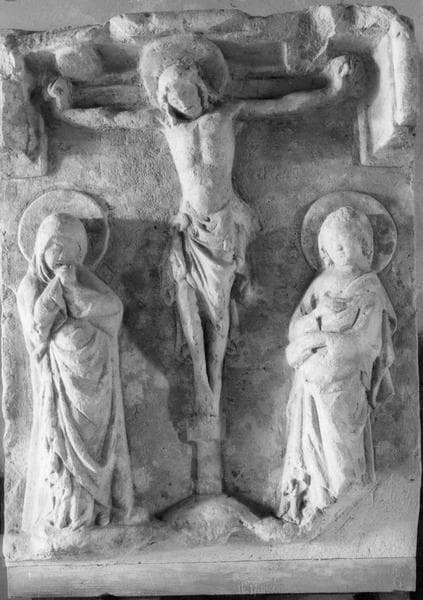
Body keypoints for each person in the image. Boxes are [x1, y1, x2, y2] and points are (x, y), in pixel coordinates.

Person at [46, 34, 364, 494]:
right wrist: (66, 106)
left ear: (202, 87)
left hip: (225, 230)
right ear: (164, 99)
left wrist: (331, 89)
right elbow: (111, 117)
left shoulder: (226, 115)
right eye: (172, 95)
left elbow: (282, 104)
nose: (181, 101)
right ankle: (201, 382)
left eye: (186, 91)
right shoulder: (165, 125)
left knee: (219, 320)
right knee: (190, 319)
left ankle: (211, 382)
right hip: (190, 233)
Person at [278, 206, 396, 528]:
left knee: (341, 445)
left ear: (366, 247)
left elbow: (365, 344)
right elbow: (294, 329)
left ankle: (345, 499)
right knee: (312, 444)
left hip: (345, 381)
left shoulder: (369, 288)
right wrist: (318, 316)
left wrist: (320, 340)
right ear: (325, 252)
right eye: (335, 246)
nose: (343, 252)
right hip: (312, 381)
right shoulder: (320, 284)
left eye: (349, 244)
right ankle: (318, 498)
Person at [17, 213, 134, 533]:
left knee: (97, 445)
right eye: (56, 247)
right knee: (65, 452)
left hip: (97, 385)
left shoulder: (80, 277)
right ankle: (68, 513)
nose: (64, 256)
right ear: (41, 247)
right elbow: (36, 333)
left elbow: (113, 310)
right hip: (61, 388)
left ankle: (99, 509)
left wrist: (75, 291)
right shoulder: (31, 286)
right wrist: (57, 291)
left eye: (74, 249)